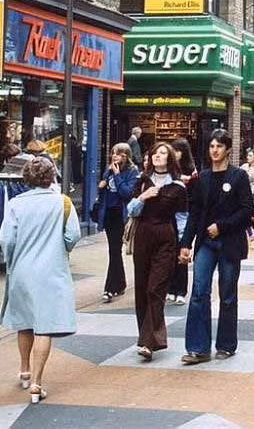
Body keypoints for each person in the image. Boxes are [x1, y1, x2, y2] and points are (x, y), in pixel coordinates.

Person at [0, 156, 81, 404]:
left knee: (25, 322)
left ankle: (24, 371)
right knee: (44, 326)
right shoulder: (63, 203)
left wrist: (12, 261)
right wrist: (62, 247)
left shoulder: (15, 204)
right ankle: (36, 383)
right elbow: (72, 235)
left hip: (22, 270)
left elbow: (7, 240)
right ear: (52, 176)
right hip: (52, 272)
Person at [178, 130, 254, 364]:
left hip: (229, 242)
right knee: (199, 291)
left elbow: (246, 210)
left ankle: (226, 344)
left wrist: (221, 226)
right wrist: (185, 243)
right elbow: (195, 213)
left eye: (219, 146)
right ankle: (198, 348)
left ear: (228, 149)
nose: (214, 150)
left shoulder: (239, 176)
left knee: (228, 294)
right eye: (211, 146)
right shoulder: (202, 178)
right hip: (206, 243)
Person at [127, 141, 188, 361]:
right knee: (142, 288)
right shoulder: (141, 182)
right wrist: (143, 197)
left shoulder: (178, 187)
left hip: (166, 236)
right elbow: (130, 210)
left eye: (162, 153)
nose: (157, 156)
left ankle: (151, 341)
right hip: (143, 234)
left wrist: (184, 245)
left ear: (170, 159)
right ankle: (145, 339)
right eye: (154, 153)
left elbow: (182, 217)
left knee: (156, 287)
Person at [94, 143, 138, 302]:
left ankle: (110, 288)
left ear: (126, 156)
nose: (114, 156)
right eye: (113, 153)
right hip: (108, 215)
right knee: (114, 251)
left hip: (122, 215)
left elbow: (127, 193)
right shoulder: (109, 169)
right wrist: (101, 186)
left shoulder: (132, 172)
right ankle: (119, 283)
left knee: (114, 250)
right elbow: (104, 191)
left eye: (118, 154)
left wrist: (118, 175)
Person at [167, 138, 197, 305]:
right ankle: (171, 288)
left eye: (177, 151)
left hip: (184, 216)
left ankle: (181, 290)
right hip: (170, 215)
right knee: (170, 253)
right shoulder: (170, 170)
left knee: (181, 252)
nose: (174, 154)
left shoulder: (191, 171)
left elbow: (194, 195)